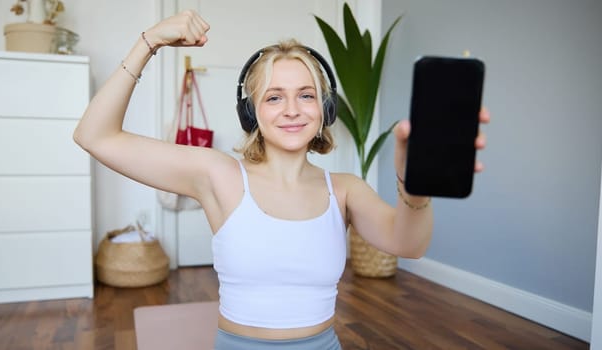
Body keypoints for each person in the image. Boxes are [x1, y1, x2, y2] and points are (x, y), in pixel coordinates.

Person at [74, 10, 490, 350]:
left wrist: (415, 183)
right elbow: (95, 135)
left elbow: (409, 244)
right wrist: (151, 41)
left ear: (324, 109)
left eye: (306, 95)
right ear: (251, 113)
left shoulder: (344, 190)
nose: (292, 109)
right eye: (274, 97)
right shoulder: (218, 175)